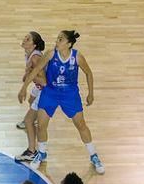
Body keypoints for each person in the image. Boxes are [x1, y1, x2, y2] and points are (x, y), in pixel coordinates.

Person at [18, 30, 105, 174]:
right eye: (57, 38)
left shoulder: (77, 57)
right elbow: (35, 71)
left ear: (69, 44)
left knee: (81, 125)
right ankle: (41, 153)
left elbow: (89, 73)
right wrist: (23, 88)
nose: (56, 41)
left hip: (70, 94)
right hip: (50, 92)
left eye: (60, 39)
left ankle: (93, 155)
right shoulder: (51, 54)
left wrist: (91, 93)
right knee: (41, 125)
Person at [14, 32, 47, 168]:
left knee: (29, 120)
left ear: (34, 45)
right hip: (38, 89)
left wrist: (29, 77)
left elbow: (45, 82)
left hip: (45, 90)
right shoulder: (29, 54)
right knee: (30, 101)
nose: (24, 39)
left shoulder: (35, 58)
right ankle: (33, 121)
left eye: (28, 39)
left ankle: (31, 151)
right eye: (25, 37)